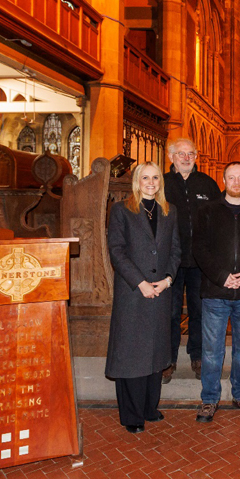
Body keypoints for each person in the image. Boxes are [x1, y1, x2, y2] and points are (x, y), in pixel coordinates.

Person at [106, 162, 181, 434]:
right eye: (145, 177)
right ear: (136, 181)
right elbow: (117, 251)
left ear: (161, 181)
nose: (151, 182)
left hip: (161, 291)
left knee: (156, 351)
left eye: (155, 178)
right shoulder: (121, 211)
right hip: (133, 293)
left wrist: (167, 279)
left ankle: (150, 407)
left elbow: (175, 250)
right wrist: (140, 283)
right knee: (132, 353)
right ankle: (132, 415)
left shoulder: (169, 211)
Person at [193, 161, 240, 423]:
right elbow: (199, 248)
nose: (236, 182)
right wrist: (222, 276)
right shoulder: (207, 210)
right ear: (223, 180)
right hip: (215, 292)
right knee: (212, 350)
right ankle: (210, 399)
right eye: (231, 178)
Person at [163, 137, 220, 381]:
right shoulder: (162, 183)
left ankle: (197, 356)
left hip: (200, 262)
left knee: (200, 312)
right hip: (170, 261)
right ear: (171, 157)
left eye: (191, 154)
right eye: (181, 154)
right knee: (171, 312)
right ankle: (168, 360)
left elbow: (219, 219)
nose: (186, 158)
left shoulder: (207, 184)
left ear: (196, 157)